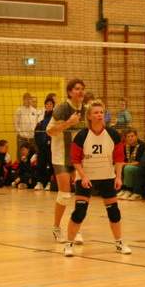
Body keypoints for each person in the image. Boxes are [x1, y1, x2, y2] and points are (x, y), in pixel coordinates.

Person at [64, 100, 131, 257]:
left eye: (101, 112)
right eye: (96, 112)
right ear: (89, 116)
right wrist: (83, 176)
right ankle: (68, 244)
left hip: (107, 177)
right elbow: (75, 160)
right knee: (79, 212)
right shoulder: (81, 136)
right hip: (86, 178)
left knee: (114, 212)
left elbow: (119, 158)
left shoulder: (113, 134)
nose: (99, 115)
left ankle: (119, 243)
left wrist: (118, 177)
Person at [47, 79, 87, 244]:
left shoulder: (86, 110)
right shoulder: (62, 108)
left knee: (81, 195)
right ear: (70, 92)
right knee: (64, 194)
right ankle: (56, 227)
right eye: (77, 89)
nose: (81, 91)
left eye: (82, 89)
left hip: (78, 157)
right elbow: (50, 131)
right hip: (61, 155)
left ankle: (74, 228)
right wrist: (69, 123)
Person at [116, 128, 145, 200]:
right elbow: (122, 159)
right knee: (118, 167)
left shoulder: (142, 146)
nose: (130, 138)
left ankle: (128, 190)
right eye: (128, 136)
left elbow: (139, 162)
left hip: (139, 166)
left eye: (132, 136)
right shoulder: (125, 146)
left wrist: (125, 164)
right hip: (128, 165)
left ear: (136, 136)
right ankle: (122, 189)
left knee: (127, 168)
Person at [34, 95, 55, 190]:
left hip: (50, 146)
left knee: (50, 164)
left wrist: (50, 141)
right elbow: (37, 131)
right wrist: (38, 143)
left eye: (51, 104)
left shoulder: (54, 118)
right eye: (47, 104)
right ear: (45, 106)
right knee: (40, 164)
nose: (49, 105)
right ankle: (40, 182)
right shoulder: (41, 117)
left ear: (53, 106)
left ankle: (49, 183)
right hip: (41, 145)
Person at [14, 92, 39, 157]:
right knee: (22, 156)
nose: (28, 101)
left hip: (32, 138)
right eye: (26, 99)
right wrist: (20, 134)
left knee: (33, 156)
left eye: (29, 99)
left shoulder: (34, 110)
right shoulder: (19, 110)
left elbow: (36, 123)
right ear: (23, 100)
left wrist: (34, 133)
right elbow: (16, 124)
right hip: (22, 138)